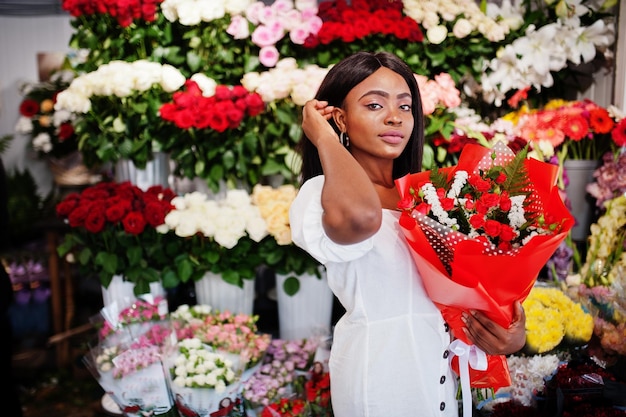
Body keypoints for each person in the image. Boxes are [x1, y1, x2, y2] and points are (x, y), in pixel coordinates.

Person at [288, 51, 526, 417]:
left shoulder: (430, 196)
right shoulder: (323, 194)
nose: (394, 117)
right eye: (374, 105)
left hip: (441, 373)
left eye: (405, 105)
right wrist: (325, 138)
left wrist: (507, 332)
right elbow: (362, 218)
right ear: (340, 118)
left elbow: (468, 290)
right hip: (382, 378)